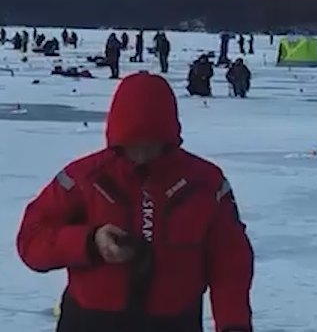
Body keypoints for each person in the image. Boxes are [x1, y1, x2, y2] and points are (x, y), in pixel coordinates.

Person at [16, 72, 254, 332]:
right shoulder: (83, 178)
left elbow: (231, 262)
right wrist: (90, 242)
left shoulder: (206, 184)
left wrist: (234, 324)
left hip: (173, 322)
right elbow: (31, 240)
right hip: (90, 321)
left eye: (151, 145)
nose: (141, 155)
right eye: (132, 144)